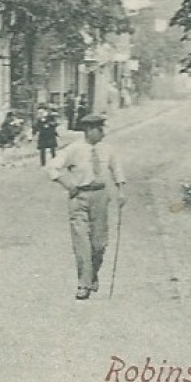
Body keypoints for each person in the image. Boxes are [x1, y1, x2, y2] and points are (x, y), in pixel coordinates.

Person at [49, 113, 126, 300]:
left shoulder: (107, 149)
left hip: (100, 197)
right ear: (89, 130)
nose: (103, 133)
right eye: (100, 129)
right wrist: (68, 184)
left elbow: (117, 169)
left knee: (99, 244)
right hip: (80, 198)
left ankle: (92, 275)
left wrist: (121, 191)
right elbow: (52, 167)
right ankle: (83, 284)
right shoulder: (73, 149)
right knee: (82, 242)